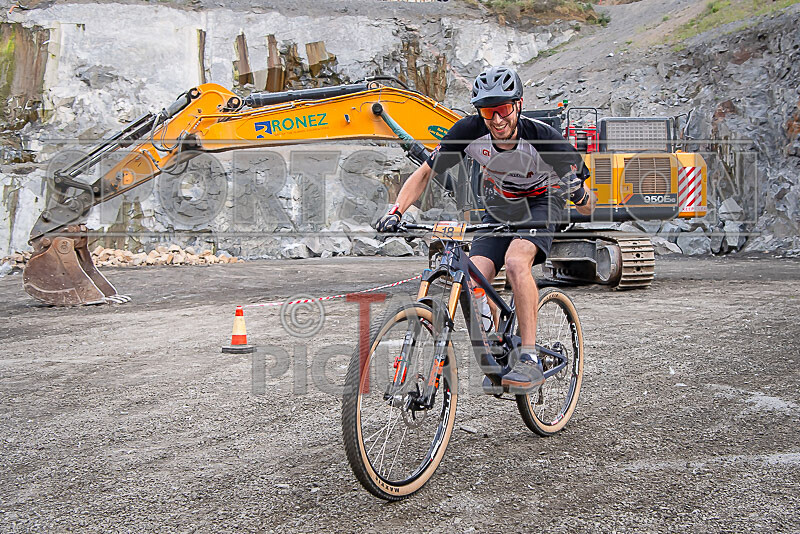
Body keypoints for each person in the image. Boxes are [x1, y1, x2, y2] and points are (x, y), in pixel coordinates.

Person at [376, 65, 596, 393]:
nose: (496, 119)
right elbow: (426, 172)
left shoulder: (544, 138)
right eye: (488, 111)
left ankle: (530, 358)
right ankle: (496, 342)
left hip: (541, 205)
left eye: (503, 109)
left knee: (516, 261)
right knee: (475, 276)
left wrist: (577, 192)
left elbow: (588, 206)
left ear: (518, 105)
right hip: (497, 208)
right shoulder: (468, 130)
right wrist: (396, 210)